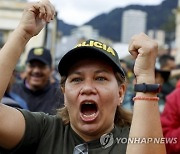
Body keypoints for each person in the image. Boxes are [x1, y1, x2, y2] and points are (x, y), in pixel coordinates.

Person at [0, 0, 165, 154]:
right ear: (64, 93)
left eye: (100, 78)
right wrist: (22, 33)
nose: (87, 88)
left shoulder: (134, 140)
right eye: (77, 79)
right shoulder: (44, 131)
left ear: (120, 93)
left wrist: (145, 78)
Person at [11, 46, 64, 114]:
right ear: (26, 68)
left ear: (51, 70)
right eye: (32, 66)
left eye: (41, 66)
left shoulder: (59, 96)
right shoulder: (12, 91)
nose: (36, 71)